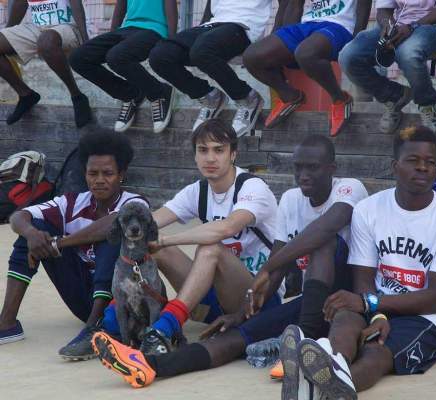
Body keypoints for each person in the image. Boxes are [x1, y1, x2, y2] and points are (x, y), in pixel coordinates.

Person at [90, 134, 368, 391]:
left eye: (313, 168)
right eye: (298, 167)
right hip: (310, 304)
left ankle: (302, 345)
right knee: (233, 336)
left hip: (349, 302)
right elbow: (278, 268)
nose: (303, 175)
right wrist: (242, 313)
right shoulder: (291, 199)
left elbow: (324, 229)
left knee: (322, 243)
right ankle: (149, 364)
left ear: (331, 168)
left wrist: (268, 267)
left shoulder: (349, 188)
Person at [280, 126, 436, 399]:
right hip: (378, 303)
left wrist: (371, 304)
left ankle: (318, 390)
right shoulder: (369, 210)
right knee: (345, 320)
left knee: (375, 351)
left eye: (430, 162)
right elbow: (364, 279)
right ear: (395, 166)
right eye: (413, 161)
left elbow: (435, 299)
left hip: (426, 318)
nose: (423, 168)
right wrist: (377, 314)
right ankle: (327, 366)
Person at [0, 130, 149, 361]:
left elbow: (114, 223)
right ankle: (7, 323)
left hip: (125, 300)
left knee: (115, 234)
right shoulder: (71, 203)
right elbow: (19, 217)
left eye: (108, 173)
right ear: (85, 174)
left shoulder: (135, 202)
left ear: (121, 174)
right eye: (93, 173)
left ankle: (93, 329)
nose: (99, 180)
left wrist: (59, 243)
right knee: (34, 232)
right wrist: (32, 235)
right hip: (83, 299)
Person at [242, 0, 372, 136]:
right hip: (308, 24)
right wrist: (284, 44)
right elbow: (295, 5)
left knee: (305, 53)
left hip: (340, 26)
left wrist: (357, 40)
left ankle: (340, 99)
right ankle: (289, 95)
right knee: (252, 56)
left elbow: (365, 3)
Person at [147, 0, 274, 138]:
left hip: (244, 27)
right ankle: (209, 96)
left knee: (202, 51)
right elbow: (210, 6)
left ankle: (247, 98)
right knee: (160, 55)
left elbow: (286, 5)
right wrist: (200, 33)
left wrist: (272, 39)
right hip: (212, 25)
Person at [339, 0, 436, 136]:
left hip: (433, 27)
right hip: (400, 27)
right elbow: (383, 11)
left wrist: (412, 26)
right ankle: (393, 96)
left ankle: (430, 104)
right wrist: (388, 27)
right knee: (348, 56)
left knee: (407, 53)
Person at [70, 0, 178, 133]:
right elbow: (121, 5)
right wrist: (112, 35)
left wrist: (171, 40)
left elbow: (170, 4)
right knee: (78, 58)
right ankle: (130, 94)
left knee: (116, 56)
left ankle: (159, 93)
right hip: (127, 29)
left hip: (155, 30)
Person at [0, 0, 91, 127]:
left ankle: (77, 96)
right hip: (38, 28)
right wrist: (8, 34)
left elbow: (76, 3)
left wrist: (86, 40)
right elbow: (20, 3)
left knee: (46, 41)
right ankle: (26, 95)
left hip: (69, 26)